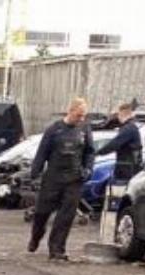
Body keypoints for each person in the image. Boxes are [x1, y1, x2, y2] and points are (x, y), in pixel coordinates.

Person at [28, 97, 95, 261]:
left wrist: (88, 169)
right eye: (78, 115)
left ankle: (57, 249)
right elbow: (42, 153)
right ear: (70, 111)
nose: (81, 119)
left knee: (66, 216)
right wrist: (34, 174)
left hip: (74, 179)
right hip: (53, 178)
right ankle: (36, 236)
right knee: (41, 213)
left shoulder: (84, 129)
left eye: (83, 116)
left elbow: (90, 152)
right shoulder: (54, 130)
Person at [97, 102, 143, 184]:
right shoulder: (131, 127)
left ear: (121, 113)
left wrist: (98, 152)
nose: (117, 117)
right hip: (130, 169)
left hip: (127, 170)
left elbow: (114, 144)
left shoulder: (128, 128)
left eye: (118, 114)